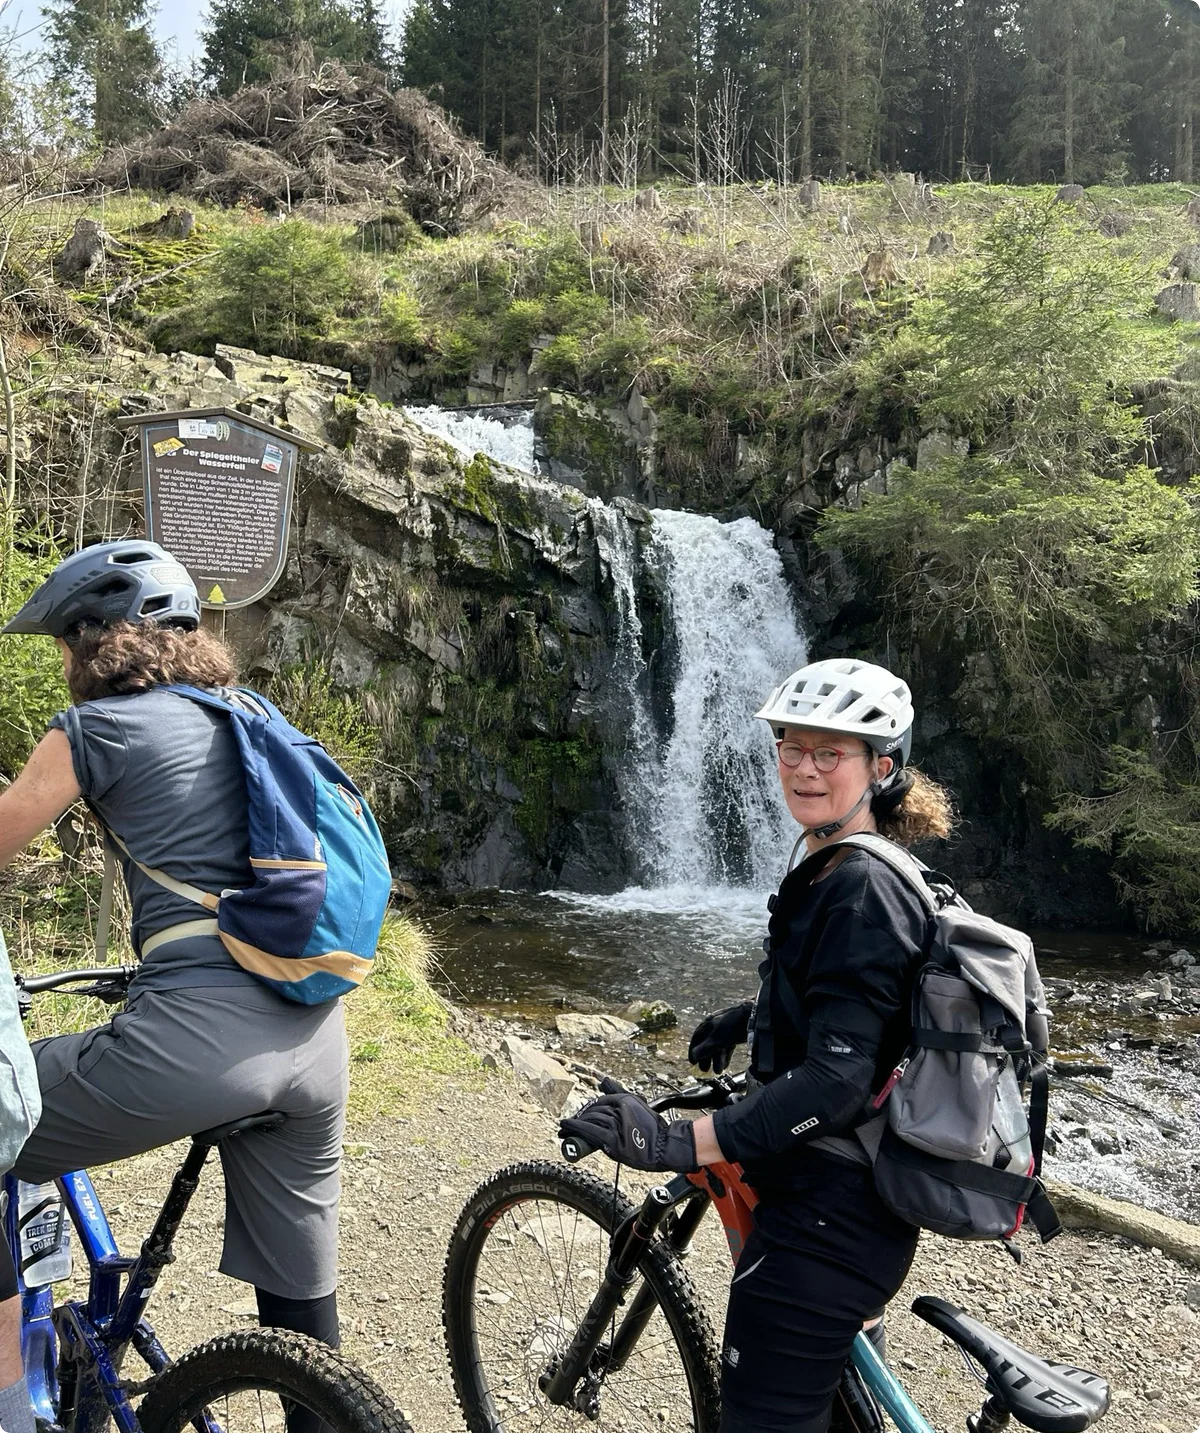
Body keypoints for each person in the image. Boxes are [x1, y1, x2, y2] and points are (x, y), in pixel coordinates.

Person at [0, 540, 350, 1432]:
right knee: (301, 1311)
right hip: (315, 1043)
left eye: (66, 649)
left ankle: (8, 1405)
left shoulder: (98, 729)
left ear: (91, 641)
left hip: (199, 1042)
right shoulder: (252, 716)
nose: (67, 669)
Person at [561, 657, 956, 1433]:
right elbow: (860, 1009)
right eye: (792, 747)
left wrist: (675, 1138)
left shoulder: (861, 887)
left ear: (881, 766)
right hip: (852, 1205)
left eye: (829, 753)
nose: (805, 768)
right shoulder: (849, 857)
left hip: (825, 1223)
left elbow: (833, 1086)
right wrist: (754, 1016)